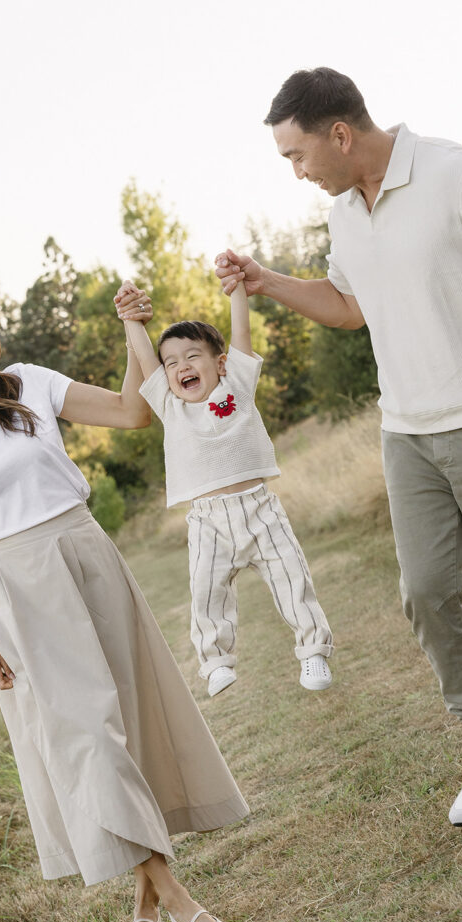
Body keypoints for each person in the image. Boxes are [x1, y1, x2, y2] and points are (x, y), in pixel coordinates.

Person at [215, 66, 462, 825]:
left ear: (339, 134)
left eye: (297, 156)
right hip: (409, 434)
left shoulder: (456, 173)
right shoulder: (344, 212)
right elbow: (348, 308)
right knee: (425, 593)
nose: (297, 172)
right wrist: (265, 281)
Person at [0, 294, 249, 922]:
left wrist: (131, 329)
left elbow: (131, 412)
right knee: (87, 737)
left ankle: (144, 903)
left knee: (130, 720)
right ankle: (178, 900)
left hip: (86, 552)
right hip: (18, 585)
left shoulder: (28, 384)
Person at [114, 279, 333, 698]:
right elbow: (144, 357)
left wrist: (236, 291)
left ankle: (313, 649)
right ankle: (215, 662)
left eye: (192, 356)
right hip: (207, 521)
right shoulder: (169, 406)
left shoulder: (239, 387)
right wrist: (129, 318)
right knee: (206, 592)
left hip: (259, 509)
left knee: (292, 577)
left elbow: (241, 336)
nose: (181, 367)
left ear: (221, 363)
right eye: (171, 362)